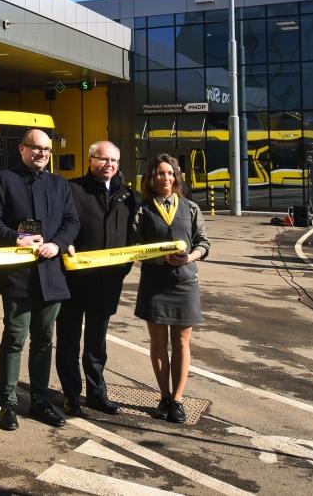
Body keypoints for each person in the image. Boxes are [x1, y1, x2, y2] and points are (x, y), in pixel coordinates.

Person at [0, 128, 80, 431]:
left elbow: (71, 221)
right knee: (14, 338)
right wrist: (14, 239)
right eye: (36, 148)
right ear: (22, 149)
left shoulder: (59, 184)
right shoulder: (5, 180)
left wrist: (58, 244)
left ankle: (39, 399)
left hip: (51, 276)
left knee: (43, 340)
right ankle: (7, 403)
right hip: (19, 275)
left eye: (46, 150)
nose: (41, 154)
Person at [56, 141, 138, 417]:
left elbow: (132, 237)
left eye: (114, 161)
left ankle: (97, 393)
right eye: (103, 160)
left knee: (96, 343)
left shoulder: (127, 195)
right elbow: (59, 227)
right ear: (91, 160)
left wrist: (123, 268)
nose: (109, 166)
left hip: (107, 282)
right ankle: (71, 396)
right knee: (68, 340)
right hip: (73, 281)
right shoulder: (70, 189)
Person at [131, 153, 210, 424]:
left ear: (176, 177)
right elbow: (135, 249)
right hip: (155, 282)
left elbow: (204, 243)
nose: (165, 178)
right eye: (159, 173)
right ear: (151, 178)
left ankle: (177, 399)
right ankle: (163, 395)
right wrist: (158, 257)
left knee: (181, 341)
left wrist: (189, 257)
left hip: (184, 281)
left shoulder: (190, 208)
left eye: (169, 173)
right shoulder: (142, 210)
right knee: (158, 342)